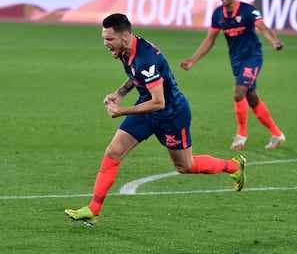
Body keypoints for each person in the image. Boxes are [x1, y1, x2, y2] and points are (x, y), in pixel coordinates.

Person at [65, 13, 246, 226]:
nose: (106, 44)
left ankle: (233, 167)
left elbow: (159, 102)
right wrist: (120, 93)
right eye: (104, 39)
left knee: (184, 166)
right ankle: (93, 209)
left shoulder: (146, 57)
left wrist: (122, 110)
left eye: (109, 39)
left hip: (171, 114)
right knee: (113, 152)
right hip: (146, 108)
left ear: (124, 37)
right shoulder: (126, 50)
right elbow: (137, 77)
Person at [180, 0, 285, 151]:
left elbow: (263, 28)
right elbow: (210, 40)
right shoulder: (218, 14)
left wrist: (274, 41)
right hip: (236, 60)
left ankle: (241, 135)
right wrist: (193, 60)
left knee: (238, 93)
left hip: (252, 57)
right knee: (251, 97)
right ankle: (276, 133)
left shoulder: (248, 10)